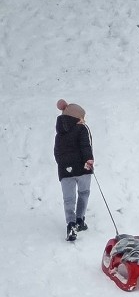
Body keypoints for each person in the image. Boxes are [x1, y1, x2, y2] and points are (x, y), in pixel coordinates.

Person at [54, 99, 94, 242]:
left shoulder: (59, 133)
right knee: (83, 193)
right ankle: (80, 220)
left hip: (65, 171)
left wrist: (64, 165)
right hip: (83, 168)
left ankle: (71, 224)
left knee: (69, 199)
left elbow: (57, 152)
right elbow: (85, 146)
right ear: (77, 117)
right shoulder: (82, 129)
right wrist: (89, 160)